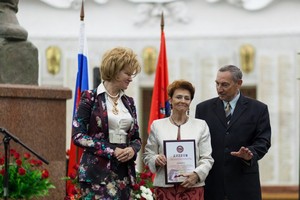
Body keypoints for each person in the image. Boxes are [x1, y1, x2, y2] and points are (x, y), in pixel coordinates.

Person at [72, 47, 142, 199]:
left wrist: (132, 149)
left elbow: (136, 138)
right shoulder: (90, 97)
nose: (131, 78)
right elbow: (78, 136)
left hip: (124, 175)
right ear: (115, 70)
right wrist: (111, 150)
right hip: (97, 175)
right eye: (128, 73)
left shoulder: (129, 102)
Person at [195, 64, 271, 200]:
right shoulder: (203, 109)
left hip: (244, 185)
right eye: (217, 84)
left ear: (239, 84)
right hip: (212, 185)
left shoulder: (258, 109)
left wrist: (250, 154)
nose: (219, 89)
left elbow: (263, 141)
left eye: (224, 85)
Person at [143, 79, 214, 200]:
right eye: (179, 97)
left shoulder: (201, 125)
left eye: (187, 98)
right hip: (165, 190)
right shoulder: (157, 125)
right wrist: (156, 159)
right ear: (170, 100)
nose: (183, 101)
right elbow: (148, 155)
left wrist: (197, 175)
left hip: (193, 187)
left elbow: (207, 158)